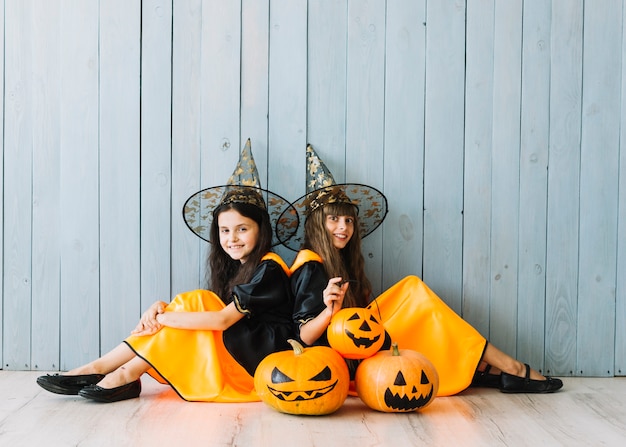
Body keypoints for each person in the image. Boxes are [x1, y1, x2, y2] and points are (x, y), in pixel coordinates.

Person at [279, 144, 563, 396]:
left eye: (349, 221)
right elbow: (302, 337)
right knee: (414, 295)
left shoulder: (339, 261)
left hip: (357, 345)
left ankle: (487, 368)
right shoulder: (310, 265)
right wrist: (329, 312)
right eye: (333, 220)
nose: (343, 228)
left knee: (416, 298)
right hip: (339, 361)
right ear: (317, 223)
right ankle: (506, 367)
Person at [37, 139, 299, 403]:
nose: (232, 238)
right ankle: (112, 371)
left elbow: (221, 321)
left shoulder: (270, 268)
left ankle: (111, 371)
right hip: (240, 349)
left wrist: (163, 319)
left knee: (198, 300)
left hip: (263, 362)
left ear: (260, 229)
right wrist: (161, 307)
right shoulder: (237, 268)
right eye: (225, 230)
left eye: (242, 228)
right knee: (195, 303)